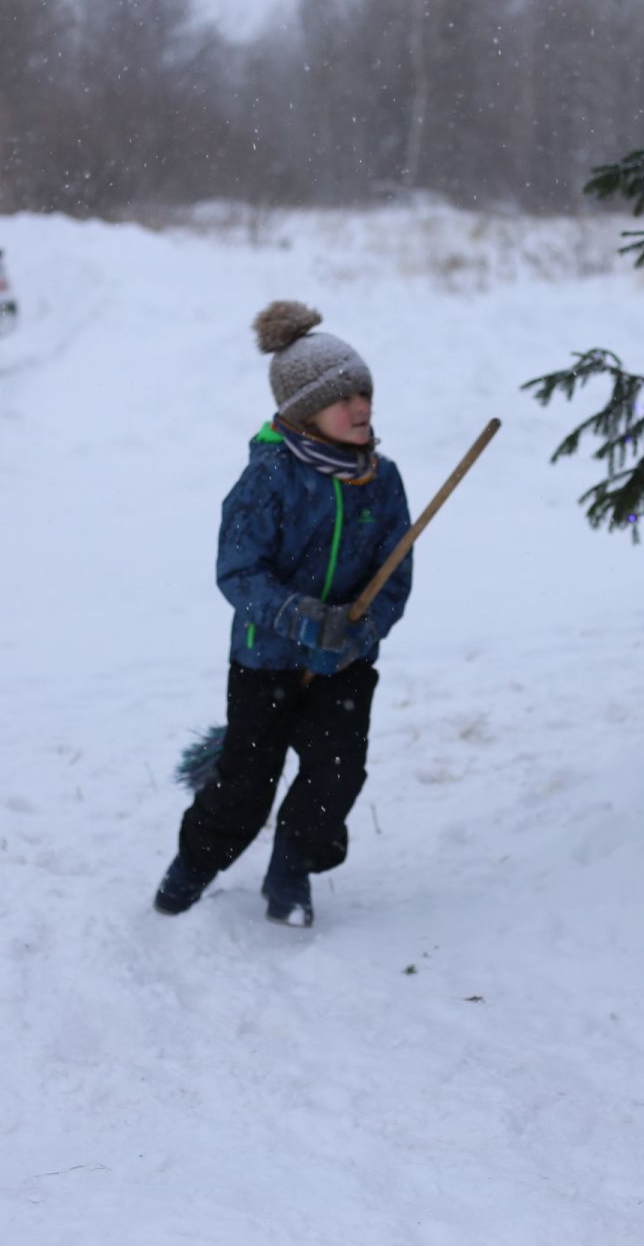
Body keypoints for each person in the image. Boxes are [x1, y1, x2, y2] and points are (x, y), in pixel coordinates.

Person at [154, 301, 413, 928]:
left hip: (344, 663)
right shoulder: (268, 476)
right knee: (245, 783)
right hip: (265, 661)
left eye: (365, 393)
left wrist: (361, 629)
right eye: (342, 397)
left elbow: (396, 574)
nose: (360, 408)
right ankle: (194, 865)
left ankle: (291, 869)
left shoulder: (383, 479)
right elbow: (238, 572)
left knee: (336, 775)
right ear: (303, 412)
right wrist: (301, 618)